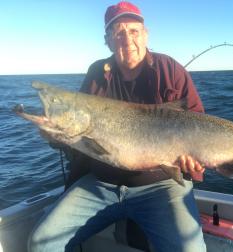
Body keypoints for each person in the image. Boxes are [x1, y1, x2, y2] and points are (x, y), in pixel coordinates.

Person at [28, 1, 207, 252]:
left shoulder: (171, 69)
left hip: (162, 185)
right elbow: (75, 130)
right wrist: (52, 135)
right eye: (118, 33)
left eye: (133, 31)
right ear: (108, 41)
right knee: (40, 243)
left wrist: (195, 158)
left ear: (146, 35)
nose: (127, 40)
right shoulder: (96, 73)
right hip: (100, 183)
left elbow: (197, 120)